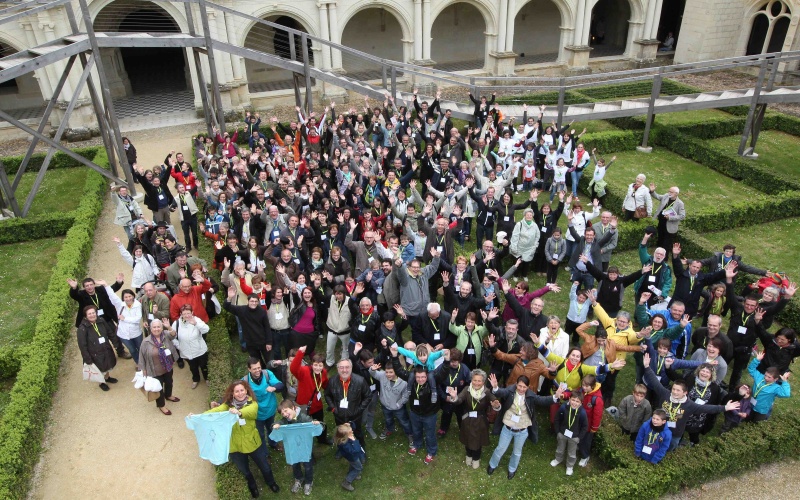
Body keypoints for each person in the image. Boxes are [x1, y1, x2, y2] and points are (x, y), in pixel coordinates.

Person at [642, 352, 739, 450]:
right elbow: (654, 382)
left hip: (675, 434)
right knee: (655, 446)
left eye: (678, 391)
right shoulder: (665, 394)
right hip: (660, 427)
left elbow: (707, 408)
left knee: (670, 449)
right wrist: (647, 366)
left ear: (685, 393)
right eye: (674, 389)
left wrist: (725, 407)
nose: (675, 392)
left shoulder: (688, 405)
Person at [203, 381, 280, 496]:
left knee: (265, 466)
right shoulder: (227, 405)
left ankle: (271, 482)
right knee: (244, 470)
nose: (240, 394)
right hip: (236, 446)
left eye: (242, 390)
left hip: (252, 443)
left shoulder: (253, 403)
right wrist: (198, 416)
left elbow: (250, 412)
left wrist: (238, 412)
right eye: (237, 391)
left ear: (246, 391)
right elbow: (214, 412)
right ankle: (252, 486)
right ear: (232, 393)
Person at [487, 374, 563, 479]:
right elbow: (500, 392)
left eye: (524, 387)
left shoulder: (531, 396)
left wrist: (555, 396)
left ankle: (512, 469)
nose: (521, 389)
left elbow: (542, 400)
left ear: (528, 387)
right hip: (507, 428)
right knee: (500, 448)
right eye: (519, 386)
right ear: (516, 384)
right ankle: (492, 464)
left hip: (522, 431)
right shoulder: (509, 391)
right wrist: (495, 387)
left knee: (517, 452)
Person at [444, 368, 500, 470]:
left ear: (483, 382)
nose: (477, 383)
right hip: (467, 419)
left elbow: (494, 401)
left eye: (479, 381)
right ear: (471, 380)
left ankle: (476, 458)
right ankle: (468, 455)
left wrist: (496, 405)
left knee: (478, 441)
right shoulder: (466, 389)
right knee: (467, 438)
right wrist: (454, 397)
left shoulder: (487, 391)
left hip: (481, 420)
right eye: (475, 380)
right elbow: (459, 400)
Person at [270, 400, 322, 496]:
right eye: (282, 413)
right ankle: (299, 478)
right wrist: (275, 425)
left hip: (305, 447)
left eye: (286, 411)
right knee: (295, 464)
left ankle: (308, 482)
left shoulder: (304, 418)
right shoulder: (285, 421)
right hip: (293, 447)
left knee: (308, 466)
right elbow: (278, 423)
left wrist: (315, 423)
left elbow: (315, 426)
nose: (285, 414)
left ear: (293, 408)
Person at [325, 359, 372, 452]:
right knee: (340, 433)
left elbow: (368, 396)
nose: (344, 370)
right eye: (341, 367)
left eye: (347, 367)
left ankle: (361, 449)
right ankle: (341, 449)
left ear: (351, 368)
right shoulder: (332, 381)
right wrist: (334, 408)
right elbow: (327, 395)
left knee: (357, 433)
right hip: (339, 416)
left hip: (355, 416)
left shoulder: (360, 381)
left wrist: (359, 409)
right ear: (337, 369)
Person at [291, 345, 333, 445]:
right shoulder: (304, 371)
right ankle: (306, 445)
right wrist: (300, 353)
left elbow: (325, 384)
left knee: (320, 423)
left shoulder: (324, 373)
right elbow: (293, 368)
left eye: (320, 365)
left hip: (317, 405)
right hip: (303, 406)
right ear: (311, 364)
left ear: (323, 366)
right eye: (315, 365)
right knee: (305, 426)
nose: (317, 368)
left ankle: (322, 440)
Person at [137, 319, 179, 415]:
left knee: (169, 382)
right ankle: (161, 405)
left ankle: (168, 395)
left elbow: (174, 335)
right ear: (151, 329)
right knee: (158, 388)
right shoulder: (146, 342)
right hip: (154, 370)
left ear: (162, 327)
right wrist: (143, 369)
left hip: (167, 367)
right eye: (154, 327)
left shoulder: (166, 334)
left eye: (158, 326)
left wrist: (168, 327)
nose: (157, 329)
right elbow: (141, 356)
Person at [224, 287, 273, 368]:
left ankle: (271, 375)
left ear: (258, 302)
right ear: (248, 301)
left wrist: (269, 342)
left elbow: (267, 327)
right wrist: (229, 297)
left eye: (255, 301)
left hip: (263, 341)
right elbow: (227, 307)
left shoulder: (262, 312)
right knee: (257, 363)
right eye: (251, 301)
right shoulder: (242, 310)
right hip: (251, 343)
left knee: (269, 361)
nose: (253, 303)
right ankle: (263, 375)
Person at [76, 305, 122, 391]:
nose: (92, 315)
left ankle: (107, 378)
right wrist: (87, 359)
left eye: (93, 313)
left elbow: (109, 333)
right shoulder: (82, 329)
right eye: (89, 314)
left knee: (107, 364)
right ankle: (102, 383)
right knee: (100, 368)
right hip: (95, 353)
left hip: (106, 348)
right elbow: (82, 345)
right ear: (85, 316)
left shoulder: (101, 320)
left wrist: (115, 343)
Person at [167, 304, 209, 388]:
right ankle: (196, 379)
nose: (186, 315)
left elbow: (206, 329)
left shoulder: (196, 320)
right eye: (184, 313)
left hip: (200, 350)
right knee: (193, 367)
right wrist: (179, 346)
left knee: (204, 365)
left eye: (188, 313)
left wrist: (196, 324)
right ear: (181, 314)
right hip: (186, 351)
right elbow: (173, 337)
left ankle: (207, 378)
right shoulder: (177, 323)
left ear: (192, 313)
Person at [405, 366, 440, 464]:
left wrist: (446, 361)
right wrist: (395, 357)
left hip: (429, 415)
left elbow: (443, 371)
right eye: (418, 377)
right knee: (416, 431)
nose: (420, 379)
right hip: (415, 413)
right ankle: (417, 444)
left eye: (423, 377)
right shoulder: (411, 383)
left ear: (428, 376)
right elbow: (399, 371)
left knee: (430, 434)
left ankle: (431, 451)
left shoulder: (433, 384)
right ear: (414, 377)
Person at [551, 391, 588, 476]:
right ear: (569, 399)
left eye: (577, 401)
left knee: (572, 453)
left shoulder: (582, 412)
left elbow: (584, 426)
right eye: (573, 400)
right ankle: (558, 459)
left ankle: (570, 466)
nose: (574, 403)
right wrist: (558, 432)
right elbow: (557, 419)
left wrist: (579, 438)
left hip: (574, 437)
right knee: (560, 448)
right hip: (562, 433)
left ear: (581, 403)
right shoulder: (563, 407)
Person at [747, 351, 791, 422]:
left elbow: (786, 394)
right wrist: (757, 360)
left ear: (775, 379)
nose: (766, 378)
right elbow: (751, 369)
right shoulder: (759, 377)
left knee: (756, 424)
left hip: (761, 410)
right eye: (765, 375)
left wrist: (785, 382)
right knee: (746, 419)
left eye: (769, 377)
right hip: (750, 404)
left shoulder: (776, 388)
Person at [105, 287, 143, 364]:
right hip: (123, 334)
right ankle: (138, 363)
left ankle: (143, 362)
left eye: (130, 296)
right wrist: (106, 286)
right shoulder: (120, 305)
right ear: (123, 298)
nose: (128, 299)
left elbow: (137, 319)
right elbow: (112, 296)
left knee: (140, 348)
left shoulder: (138, 305)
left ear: (133, 296)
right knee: (132, 350)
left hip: (136, 333)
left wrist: (124, 319)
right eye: (126, 297)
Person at [649, 184, 685, 250]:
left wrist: (670, 217)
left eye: (671, 192)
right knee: (660, 238)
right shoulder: (666, 196)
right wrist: (652, 191)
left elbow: (682, 216)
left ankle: (665, 257)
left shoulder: (680, 203)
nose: (669, 193)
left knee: (666, 243)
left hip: (670, 225)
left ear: (676, 194)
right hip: (662, 222)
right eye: (669, 191)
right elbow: (657, 196)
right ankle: (658, 252)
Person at [336, 422, 366, 492]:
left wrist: (350, 423)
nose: (352, 431)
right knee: (358, 468)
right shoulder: (344, 444)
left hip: (353, 456)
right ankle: (347, 482)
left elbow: (353, 427)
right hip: (353, 457)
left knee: (353, 465)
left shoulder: (344, 437)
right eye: (350, 432)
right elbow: (355, 450)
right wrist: (354, 440)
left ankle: (352, 473)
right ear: (346, 436)